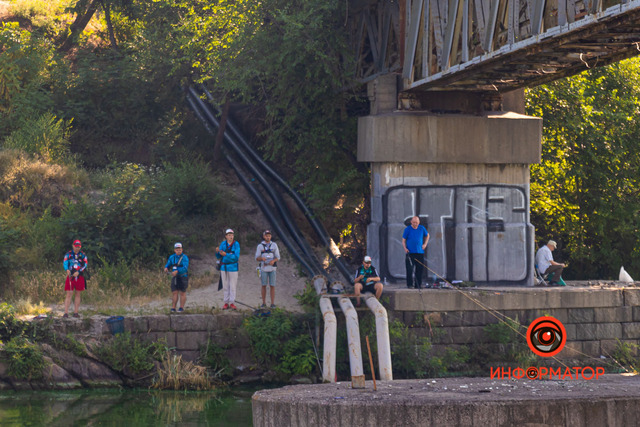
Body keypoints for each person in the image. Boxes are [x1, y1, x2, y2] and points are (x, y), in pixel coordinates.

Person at [402, 216, 430, 289]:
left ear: (419, 222)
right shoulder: (407, 229)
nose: (415, 224)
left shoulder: (421, 228)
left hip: (420, 252)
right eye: (414, 222)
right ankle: (410, 284)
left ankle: (418, 284)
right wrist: (405, 248)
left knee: (419, 270)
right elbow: (403, 240)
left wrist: (425, 244)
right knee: (410, 269)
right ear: (411, 222)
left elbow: (427, 236)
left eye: (417, 223)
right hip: (410, 253)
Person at [255, 230, 280, 308]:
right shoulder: (260, 246)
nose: (268, 237)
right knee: (264, 285)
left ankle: (272, 303)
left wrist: (273, 261)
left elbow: (278, 257)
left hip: (272, 268)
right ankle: (264, 303)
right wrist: (262, 259)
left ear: (271, 236)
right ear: (264, 236)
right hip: (263, 268)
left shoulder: (274, 245)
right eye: (266, 235)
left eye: (269, 235)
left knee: (272, 285)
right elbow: (256, 258)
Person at [216, 229, 240, 310]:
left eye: (232, 235)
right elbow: (219, 256)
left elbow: (236, 257)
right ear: (226, 236)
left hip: (233, 267)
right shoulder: (223, 244)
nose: (231, 236)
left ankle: (232, 302)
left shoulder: (236, 244)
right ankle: (226, 302)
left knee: (232, 285)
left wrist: (226, 254)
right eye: (229, 235)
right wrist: (217, 252)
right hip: (224, 267)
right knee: (225, 285)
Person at [63, 240, 88, 318]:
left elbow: (85, 264)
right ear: (73, 245)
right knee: (69, 294)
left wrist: (79, 271)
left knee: (78, 294)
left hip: (79, 276)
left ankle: (76, 312)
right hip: (71, 276)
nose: (77, 248)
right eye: (76, 246)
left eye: (78, 246)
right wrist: (67, 269)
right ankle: (66, 313)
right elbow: (65, 262)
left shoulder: (83, 255)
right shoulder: (68, 254)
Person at [164, 242, 189, 313]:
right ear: (175, 250)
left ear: (182, 249)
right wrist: (166, 267)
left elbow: (185, 267)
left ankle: (181, 307)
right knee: (174, 292)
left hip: (183, 276)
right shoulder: (172, 257)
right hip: (174, 277)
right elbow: (168, 263)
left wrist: (177, 271)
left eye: (180, 249)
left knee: (182, 292)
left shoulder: (185, 257)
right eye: (177, 249)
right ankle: (173, 307)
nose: (179, 250)